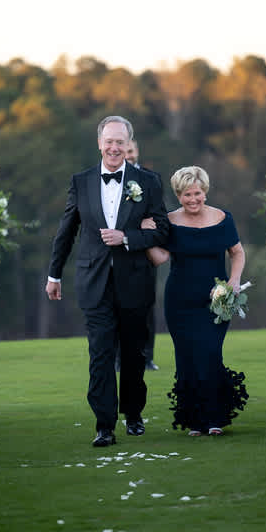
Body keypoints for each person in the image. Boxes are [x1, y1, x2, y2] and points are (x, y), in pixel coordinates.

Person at [46, 116, 169, 447]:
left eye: (120, 142)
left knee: (133, 354)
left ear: (129, 145)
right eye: (109, 141)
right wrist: (54, 274)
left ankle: (133, 413)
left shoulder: (148, 181)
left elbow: (162, 230)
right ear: (99, 143)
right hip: (93, 281)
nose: (115, 147)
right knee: (100, 354)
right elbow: (66, 230)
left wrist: (126, 237)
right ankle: (104, 425)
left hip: (135, 281)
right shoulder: (81, 181)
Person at [143, 166, 248, 436]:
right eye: (187, 194)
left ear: (205, 192)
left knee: (210, 352)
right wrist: (146, 236)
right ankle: (195, 420)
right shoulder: (169, 221)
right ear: (178, 195)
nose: (193, 199)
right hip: (179, 302)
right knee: (187, 357)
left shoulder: (222, 218)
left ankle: (214, 418)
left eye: (197, 193)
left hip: (217, 301)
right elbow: (160, 259)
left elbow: (237, 252)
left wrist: (234, 280)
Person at [115, 139, 160, 372]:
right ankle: (119, 359)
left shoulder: (152, 178)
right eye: (125, 151)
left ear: (137, 151)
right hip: (117, 253)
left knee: (146, 307)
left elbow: (158, 216)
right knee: (117, 307)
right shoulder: (110, 180)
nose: (129, 156)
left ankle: (147, 357)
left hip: (145, 253)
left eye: (131, 151)